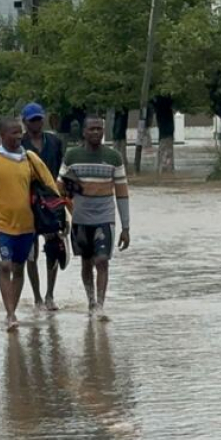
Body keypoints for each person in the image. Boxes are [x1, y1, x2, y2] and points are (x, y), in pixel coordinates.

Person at [0, 117, 59, 332]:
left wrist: (62, 215)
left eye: (20, 132)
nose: (19, 136)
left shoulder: (30, 159)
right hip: (0, 226)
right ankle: (10, 314)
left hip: (28, 226)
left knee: (19, 269)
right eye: (14, 133)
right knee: (5, 266)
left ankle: (13, 308)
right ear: (2, 135)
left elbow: (50, 185)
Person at [59, 115, 130, 321]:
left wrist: (126, 227)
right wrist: (67, 186)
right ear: (84, 132)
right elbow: (59, 186)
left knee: (102, 260)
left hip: (104, 218)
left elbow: (122, 193)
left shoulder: (114, 158)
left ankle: (99, 305)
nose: (96, 133)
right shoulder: (72, 156)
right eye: (92, 129)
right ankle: (90, 301)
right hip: (80, 219)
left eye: (99, 129)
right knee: (86, 263)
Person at [20, 102, 66, 311]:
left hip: (53, 203)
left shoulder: (55, 142)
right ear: (25, 122)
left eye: (39, 119)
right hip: (26, 203)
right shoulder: (19, 144)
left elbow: (63, 171)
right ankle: (37, 297)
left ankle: (50, 295)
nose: (36, 123)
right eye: (32, 121)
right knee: (31, 253)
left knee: (54, 248)